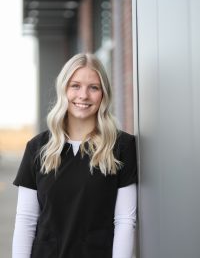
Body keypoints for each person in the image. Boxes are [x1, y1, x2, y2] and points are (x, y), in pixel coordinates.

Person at [12, 53, 138, 258]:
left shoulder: (122, 147)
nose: (84, 95)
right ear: (64, 89)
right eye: (75, 86)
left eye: (94, 87)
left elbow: (125, 220)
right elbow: (26, 220)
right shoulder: (38, 148)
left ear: (103, 94)